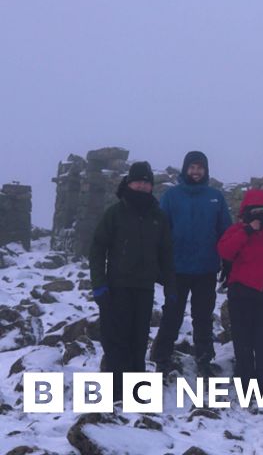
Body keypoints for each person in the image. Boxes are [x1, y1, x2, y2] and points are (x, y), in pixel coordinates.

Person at [88, 161, 175, 400]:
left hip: (144, 288)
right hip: (116, 288)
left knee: (139, 340)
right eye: (138, 181)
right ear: (129, 183)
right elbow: (97, 249)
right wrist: (99, 285)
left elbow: (166, 254)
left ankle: (137, 394)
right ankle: (115, 394)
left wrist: (171, 286)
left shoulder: (158, 217)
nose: (142, 186)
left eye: (146, 182)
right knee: (116, 341)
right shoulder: (115, 213)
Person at [150, 151, 232, 374]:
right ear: (185, 169)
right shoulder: (171, 196)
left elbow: (225, 232)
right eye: (192, 167)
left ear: (205, 170)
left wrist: (228, 261)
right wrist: (159, 263)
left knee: (203, 317)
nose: (196, 172)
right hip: (177, 268)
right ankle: (162, 359)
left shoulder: (215, 197)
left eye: (200, 168)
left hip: (206, 268)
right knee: (172, 315)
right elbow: (160, 231)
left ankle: (204, 360)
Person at [217, 189, 263, 387]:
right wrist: (247, 231)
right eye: (254, 211)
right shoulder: (236, 231)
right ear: (246, 212)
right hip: (241, 292)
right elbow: (225, 251)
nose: (258, 215)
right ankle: (246, 385)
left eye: (262, 211)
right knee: (243, 343)